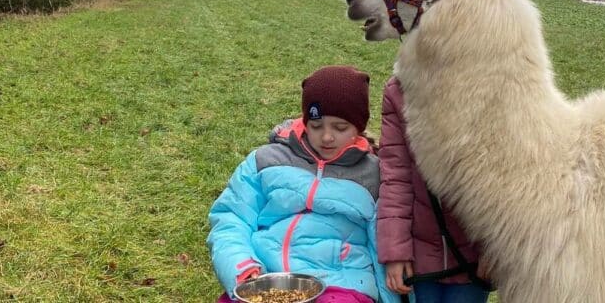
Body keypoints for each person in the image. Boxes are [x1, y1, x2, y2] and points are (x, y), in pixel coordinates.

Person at [208, 65, 398, 303]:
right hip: (267, 276)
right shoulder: (265, 160)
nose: (327, 137)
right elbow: (231, 218)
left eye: (340, 128)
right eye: (316, 126)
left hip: (343, 283)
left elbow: (388, 240)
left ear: (358, 128)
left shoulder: (374, 175)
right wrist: (243, 267)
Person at [377, 76, 492, 303]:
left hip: (472, 257)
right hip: (419, 259)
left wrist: (494, 251)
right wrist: (396, 252)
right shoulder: (398, 91)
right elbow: (395, 178)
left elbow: (505, 175)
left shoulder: (492, 86)